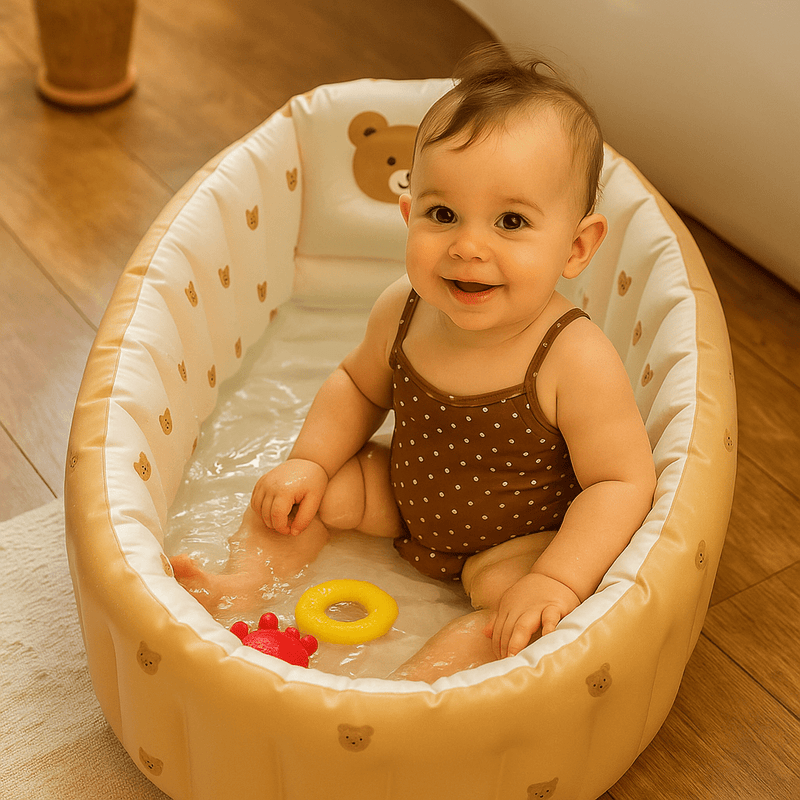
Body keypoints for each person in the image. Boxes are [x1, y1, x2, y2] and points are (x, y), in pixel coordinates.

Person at [172, 44, 656, 681]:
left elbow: (620, 483)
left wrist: (556, 579)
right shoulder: (403, 308)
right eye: (443, 214)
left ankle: (415, 686)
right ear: (408, 216)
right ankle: (240, 585)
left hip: (515, 540)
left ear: (577, 246)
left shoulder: (573, 356)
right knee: (303, 501)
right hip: (401, 497)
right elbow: (356, 385)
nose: (468, 246)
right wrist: (309, 462)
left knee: (518, 616)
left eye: (511, 221)